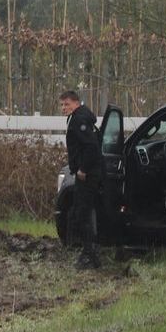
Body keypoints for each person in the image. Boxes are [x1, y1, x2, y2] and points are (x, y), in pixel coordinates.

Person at [59, 89, 103, 268]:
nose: (63, 108)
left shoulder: (79, 120)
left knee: (83, 214)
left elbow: (91, 147)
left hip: (88, 175)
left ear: (76, 103)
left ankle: (89, 256)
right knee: (81, 212)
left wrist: (83, 169)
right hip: (89, 173)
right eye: (62, 105)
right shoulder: (81, 117)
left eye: (67, 104)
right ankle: (91, 252)